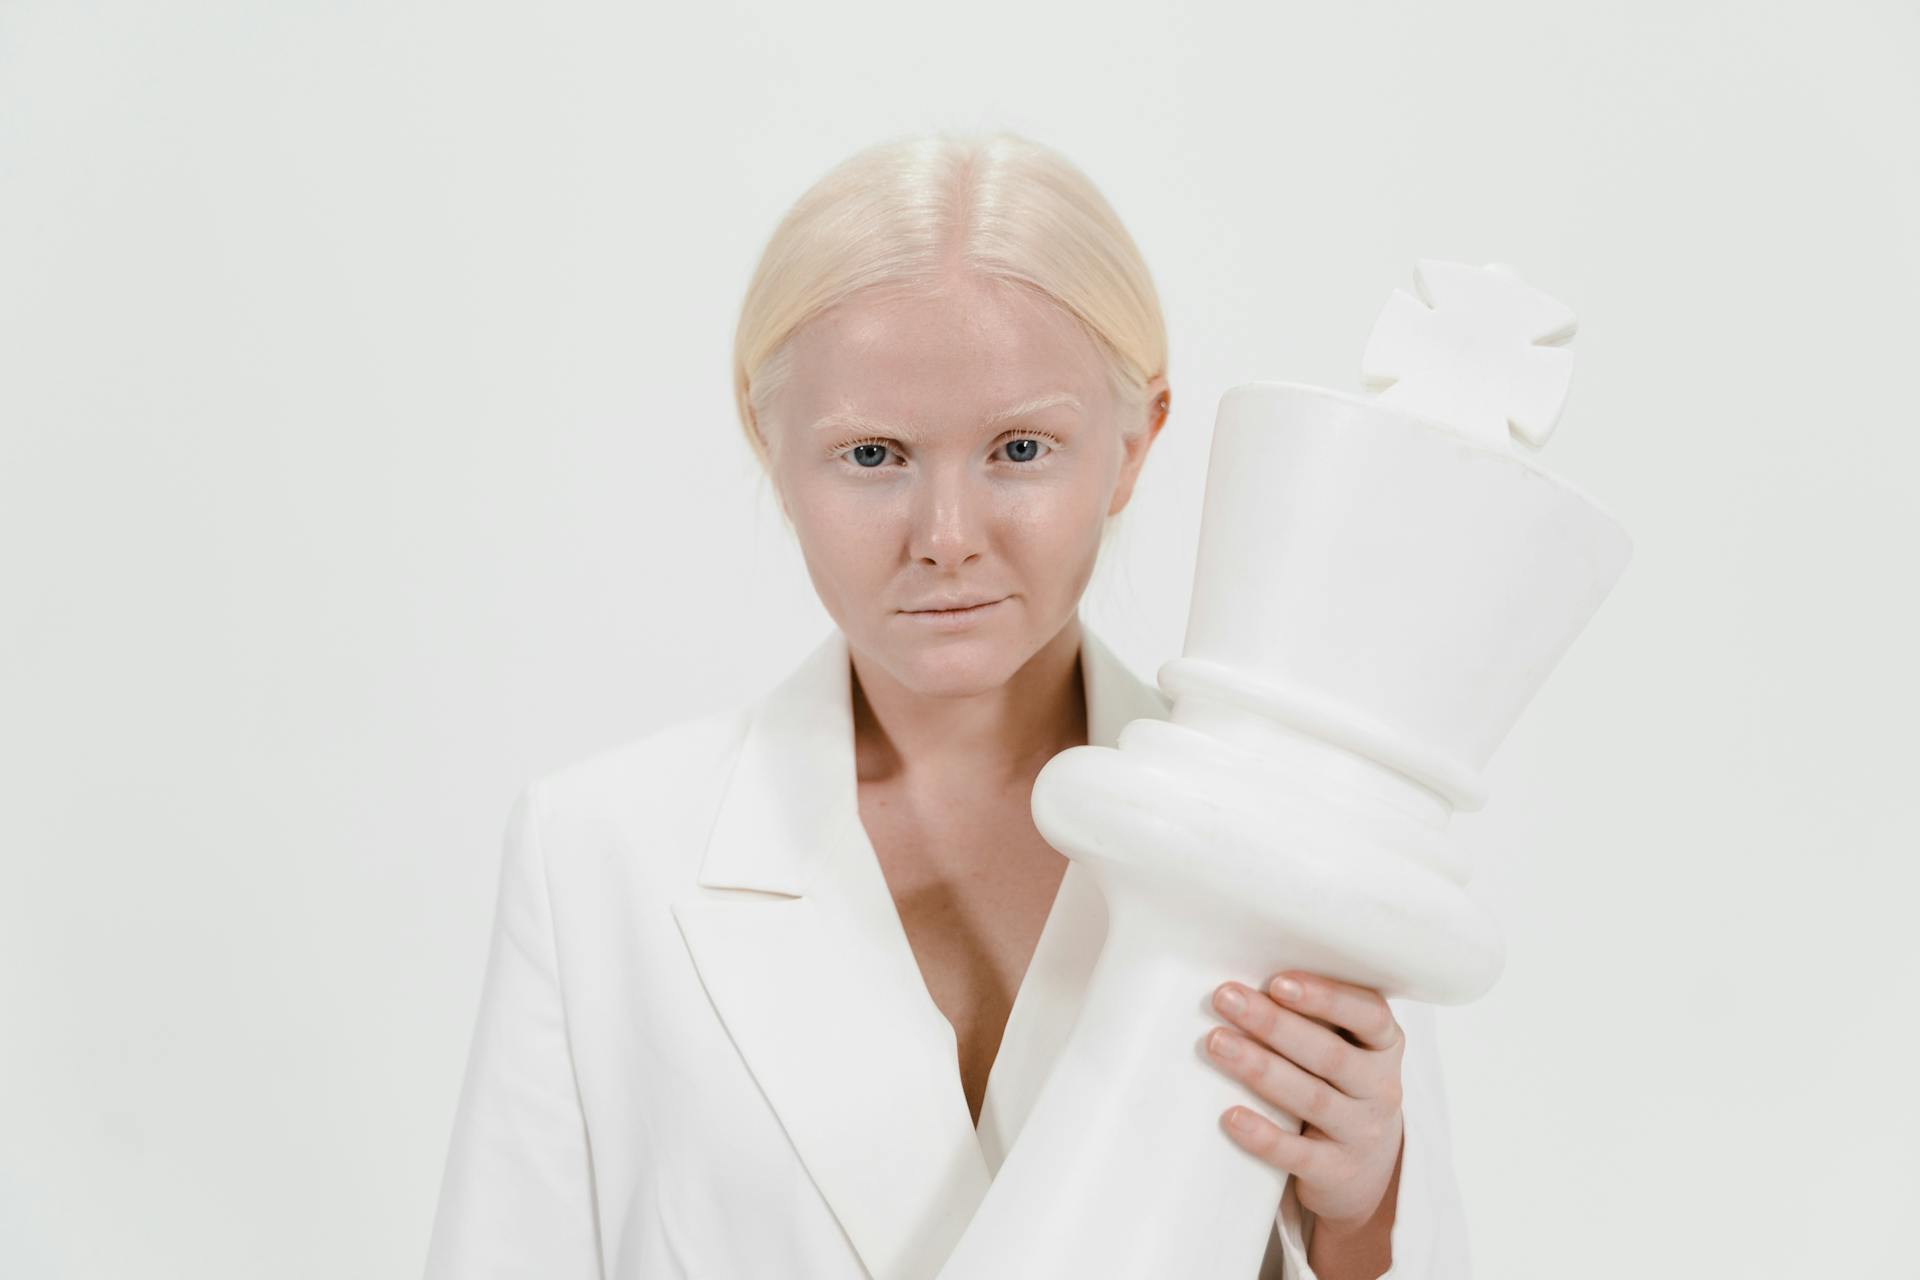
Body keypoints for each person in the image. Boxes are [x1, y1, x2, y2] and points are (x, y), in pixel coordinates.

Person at [424, 129, 1471, 1280]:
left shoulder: (1296, 846)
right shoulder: (599, 856)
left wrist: (1362, 1222)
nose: (947, 538)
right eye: (873, 454)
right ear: (767, 440)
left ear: (1136, 442)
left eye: (1021, 447)